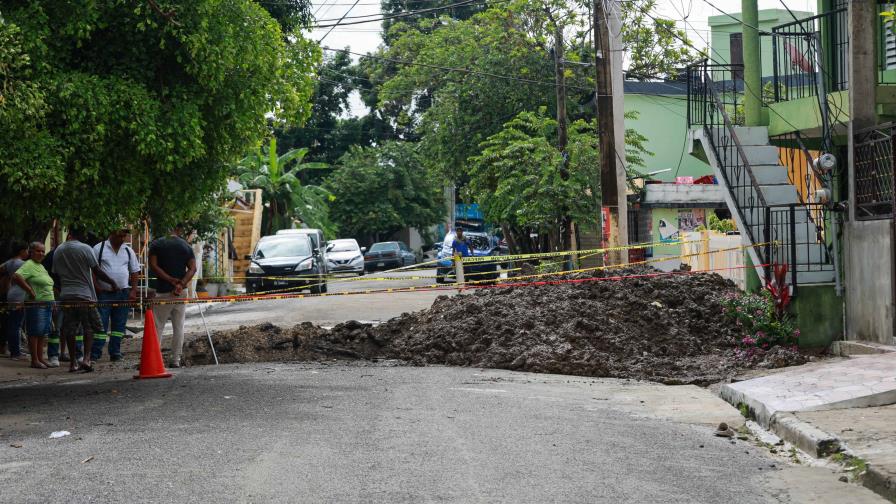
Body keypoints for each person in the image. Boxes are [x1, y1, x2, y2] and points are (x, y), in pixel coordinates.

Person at [53, 227, 119, 372]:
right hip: (85, 295)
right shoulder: (85, 248)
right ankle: (87, 359)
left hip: (67, 296)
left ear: (69, 234)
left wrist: (62, 289)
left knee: (70, 329)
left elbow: (55, 274)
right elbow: (97, 271)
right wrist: (112, 282)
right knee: (88, 326)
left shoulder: (58, 250)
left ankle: (72, 363)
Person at [148, 225, 196, 368]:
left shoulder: (157, 244)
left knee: (158, 326)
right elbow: (193, 269)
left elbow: (153, 266)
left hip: (163, 291)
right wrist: (181, 284)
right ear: (179, 230)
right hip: (181, 292)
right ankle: (175, 359)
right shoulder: (185, 245)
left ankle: (154, 360)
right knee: (178, 326)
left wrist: (170, 280)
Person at [90, 229, 140, 362]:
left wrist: (133, 290)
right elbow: (92, 271)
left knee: (119, 325)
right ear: (111, 234)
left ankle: (115, 352)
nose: (122, 239)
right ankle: (95, 354)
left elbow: (135, 271)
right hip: (104, 294)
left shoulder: (128, 251)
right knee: (101, 324)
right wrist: (97, 287)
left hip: (123, 293)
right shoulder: (98, 248)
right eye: (120, 236)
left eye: (124, 236)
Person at [13, 242, 54, 368]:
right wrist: (30, 291)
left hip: (46, 304)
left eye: (43, 251)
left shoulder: (40, 266)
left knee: (42, 332)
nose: (41, 253)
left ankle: (41, 359)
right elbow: (16, 276)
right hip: (36, 304)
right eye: (38, 251)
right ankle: (35, 360)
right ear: (31, 252)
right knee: (34, 332)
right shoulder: (29, 264)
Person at [43, 245, 82, 364]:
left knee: (76, 327)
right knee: (56, 326)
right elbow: (45, 274)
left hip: (75, 294)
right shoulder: (53, 254)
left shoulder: (80, 253)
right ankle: (53, 355)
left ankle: (77, 354)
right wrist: (54, 289)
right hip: (57, 293)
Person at [1, 241, 29, 361]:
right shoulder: (23, 264)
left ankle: (14, 349)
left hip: (11, 293)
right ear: (22, 251)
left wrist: (7, 281)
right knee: (16, 324)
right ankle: (15, 352)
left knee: (13, 323)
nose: (28, 253)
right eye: (27, 250)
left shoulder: (9, 263)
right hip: (20, 295)